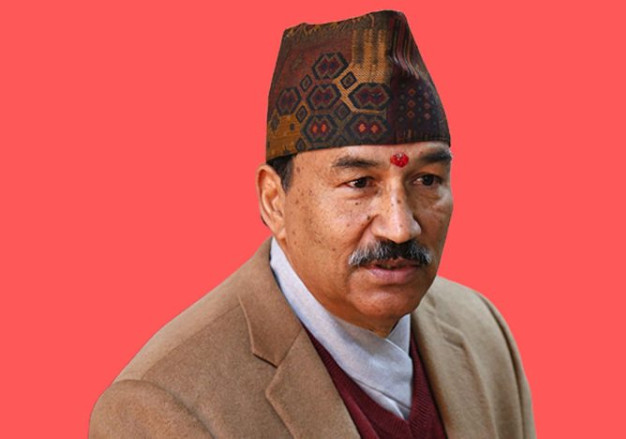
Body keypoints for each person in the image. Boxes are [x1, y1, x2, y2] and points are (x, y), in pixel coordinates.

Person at [90, 10, 535, 439]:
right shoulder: (161, 407)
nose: (400, 228)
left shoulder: (482, 332)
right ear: (274, 201)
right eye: (359, 183)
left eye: (426, 180)